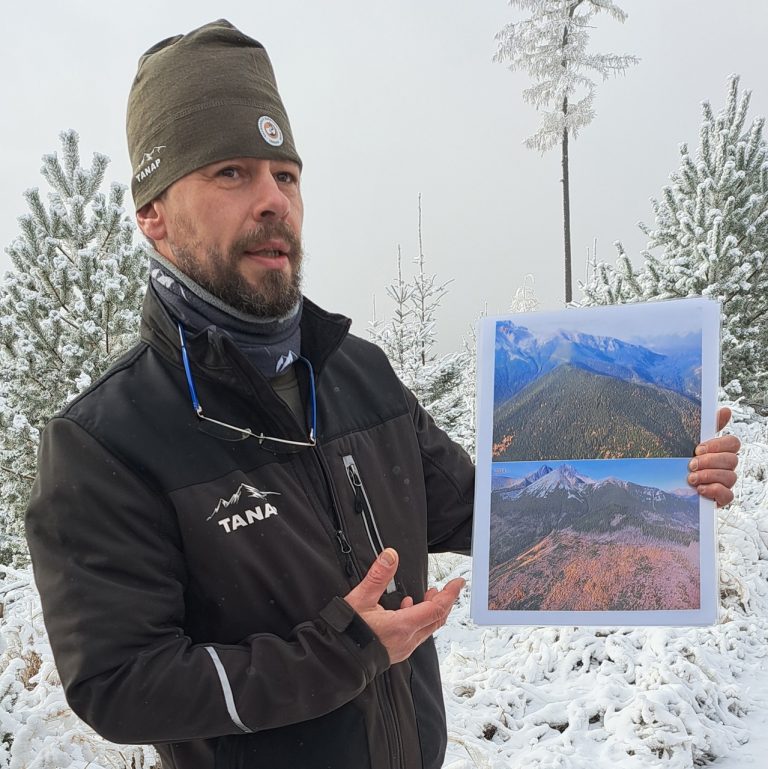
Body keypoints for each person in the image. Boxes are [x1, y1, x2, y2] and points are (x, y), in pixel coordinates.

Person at [25, 19, 740, 769]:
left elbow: (480, 505)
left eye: (287, 174)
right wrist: (342, 650)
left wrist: (668, 463)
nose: (274, 200)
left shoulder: (358, 372)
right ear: (153, 214)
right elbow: (119, 683)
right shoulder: (107, 439)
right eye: (231, 172)